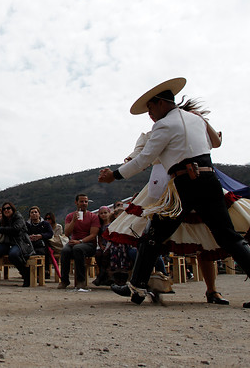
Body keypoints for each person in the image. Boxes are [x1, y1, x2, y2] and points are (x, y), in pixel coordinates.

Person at [99, 77, 250, 306]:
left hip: (183, 185)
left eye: (150, 107)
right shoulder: (196, 120)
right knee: (228, 236)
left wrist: (115, 175)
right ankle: (140, 287)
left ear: (161, 103)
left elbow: (145, 159)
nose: (150, 113)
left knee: (152, 236)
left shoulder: (164, 125)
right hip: (208, 179)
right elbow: (213, 144)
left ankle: (138, 288)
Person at [0, 202, 35, 287]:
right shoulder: (4, 219)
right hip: (7, 243)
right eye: (4, 209)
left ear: (12, 209)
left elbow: (15, 229)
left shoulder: (18, 217)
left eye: (8, 208)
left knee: (13, 255)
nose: (6, 210)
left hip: (20, 242)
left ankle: (26, 274)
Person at [58, 194, 100, 290]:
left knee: (78, 249)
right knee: (65, 251)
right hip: (74, 242)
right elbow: (67, 233)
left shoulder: (93, 217)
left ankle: (81, 280)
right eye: (81, 201)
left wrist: (80, 241)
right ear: (76, 203)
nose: (84, 204)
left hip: (88, 244)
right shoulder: (70, 216)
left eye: (86, 201)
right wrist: (73, 221)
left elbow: (93, 235)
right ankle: (64, 280)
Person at [92, 206, 112, 286]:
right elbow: (99, 237)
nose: (103, 215)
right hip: (103, 245)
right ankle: (102, 274)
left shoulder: (112, 224)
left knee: (106, 255)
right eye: (101, 213)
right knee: (98, 254)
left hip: (111, 245)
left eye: (105, 213)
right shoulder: (100, 225)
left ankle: (102, 276)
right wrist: (101, 245)